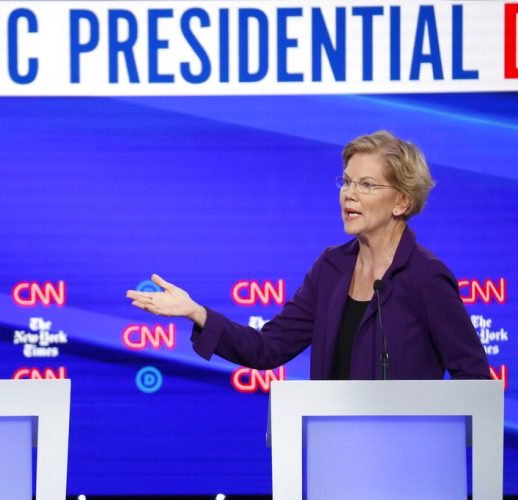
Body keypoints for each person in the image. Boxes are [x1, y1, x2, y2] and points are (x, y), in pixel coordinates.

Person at [127, 131, 489, 381]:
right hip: (333, 458)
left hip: (408, 468)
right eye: (346, 182)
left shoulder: (424, 276)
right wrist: (197, 312)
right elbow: (267, 348)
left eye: (366, 185)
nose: (349, 194)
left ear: (402, 201)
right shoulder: (331, 268)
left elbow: (471, 375)